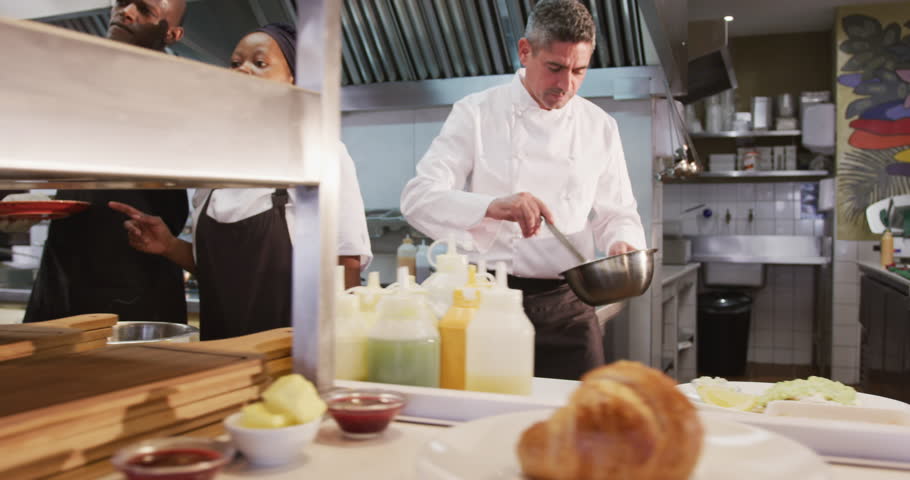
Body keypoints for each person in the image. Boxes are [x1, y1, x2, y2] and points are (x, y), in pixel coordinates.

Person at [400, 0, 646, 380]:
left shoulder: (600, 126)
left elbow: (618, 213)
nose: (567, 85)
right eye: (555, 68)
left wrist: (622, 242)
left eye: (579, 71)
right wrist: (492, 206)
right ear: (525, 51)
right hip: (485, 302)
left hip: (568, 306)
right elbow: (417, 198)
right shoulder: (477, 113)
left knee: (580, 426)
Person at [110, 23, 372, 340]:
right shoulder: (216, 165)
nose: (242, 71)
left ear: (295, 80)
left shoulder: (319, 153)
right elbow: (218, 272)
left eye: (259, 63)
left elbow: (346, 263)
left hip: (293, 355)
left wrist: (335, 349)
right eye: (235, 63)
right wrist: (168, 245)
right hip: (222, 353)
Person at [24, 0, 190, 324]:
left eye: (144, 9)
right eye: (122, 2)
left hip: (137, 289)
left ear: (172, 33)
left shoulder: (180, 97)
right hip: (61, 278)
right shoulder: (79, 86)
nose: (126, 12)